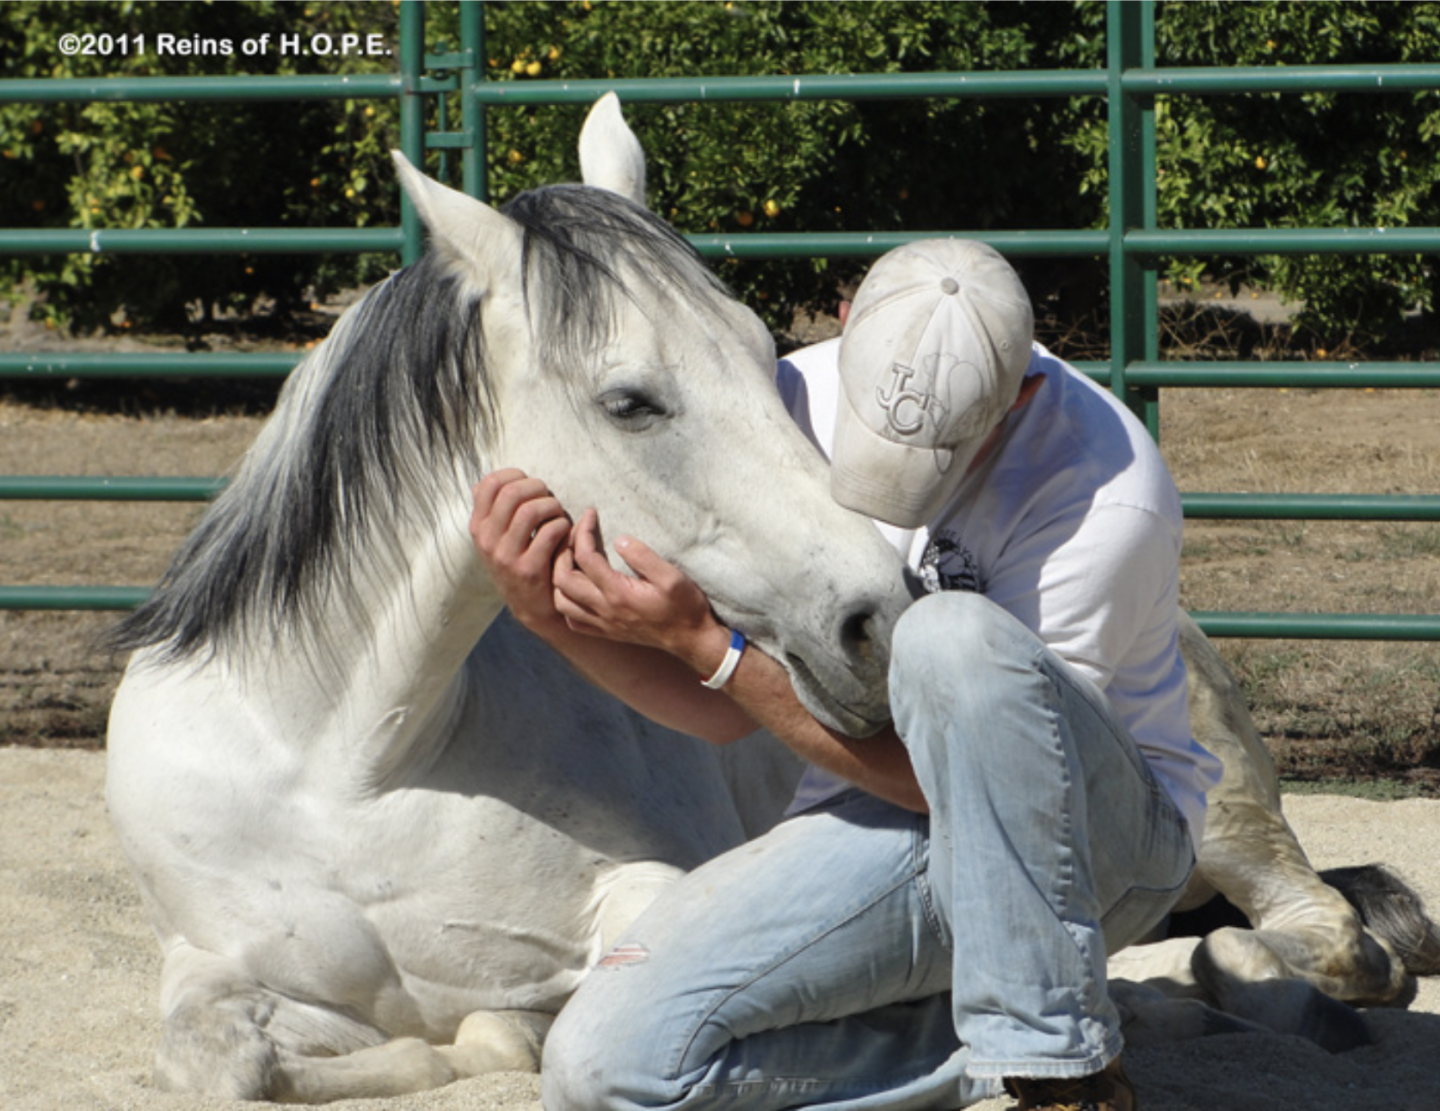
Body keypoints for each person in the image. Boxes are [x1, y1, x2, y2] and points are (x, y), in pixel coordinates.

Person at [470, 239, 1222, 1111]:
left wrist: (714, 651)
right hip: (874, 814)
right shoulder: (784, 397)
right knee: (604, 1064)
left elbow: (980, 793)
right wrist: (544, 615)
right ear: (843, 325)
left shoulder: (1103, 496)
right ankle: (978, 1052)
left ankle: (1061, 1066)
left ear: (1022, 394)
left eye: (941, 451)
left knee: (951, 638)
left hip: (1094, 844)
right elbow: (729, 714)